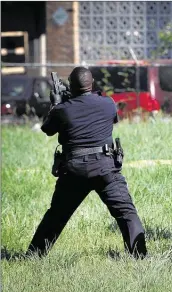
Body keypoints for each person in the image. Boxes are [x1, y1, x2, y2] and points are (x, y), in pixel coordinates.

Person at [26, 67, 147, 258]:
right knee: (126, 212)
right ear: (92, 84)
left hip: (74, 171)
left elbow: (48, 129)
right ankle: (139, 256)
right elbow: (105, 117)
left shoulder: (63, 110)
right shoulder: (108, 103)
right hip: (106, 168)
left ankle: (34, 256)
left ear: (71, 86)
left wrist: (56, 104)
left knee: (56, 216)